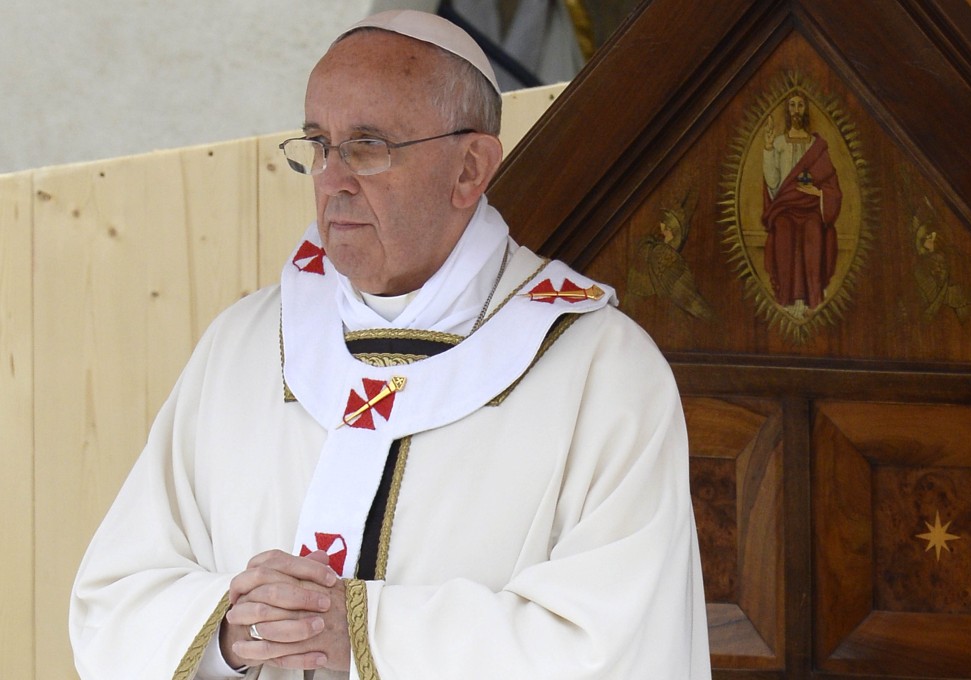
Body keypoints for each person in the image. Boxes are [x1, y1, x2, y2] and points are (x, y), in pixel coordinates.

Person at [70, 10, 711, 680]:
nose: (332, 178)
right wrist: (230, 632)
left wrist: (363, 634)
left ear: (470, 168)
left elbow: (620, 639)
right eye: (319, 144)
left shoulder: (602, 373)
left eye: (369, 146)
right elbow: (115, 598)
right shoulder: (246, 345)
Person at [761, 92, 843, 316]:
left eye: (800, 105)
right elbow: (773, 183)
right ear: (787, 111)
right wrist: (768, 148)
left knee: (814, 232)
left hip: (811, 209)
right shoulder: (778, 143)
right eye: (792, 105)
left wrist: (818, 193)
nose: (796, 110)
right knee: (784, 232)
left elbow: (832, 186)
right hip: (786, 207)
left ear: (805, 110)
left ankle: (812, 300)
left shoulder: (816, 146)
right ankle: (786, 298)